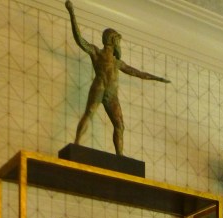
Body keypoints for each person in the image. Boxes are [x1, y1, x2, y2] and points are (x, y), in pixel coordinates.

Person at [65, 1, 170, 156]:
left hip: (112, 94)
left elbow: (138, 73)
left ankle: (119, 156)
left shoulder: (117, 62)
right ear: (113, 40)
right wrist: (71, 13)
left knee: (119, 125)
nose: (119, 44)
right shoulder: (96, 52)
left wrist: (158, 78)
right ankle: (77, 143)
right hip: (100, 87)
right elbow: (79, 39)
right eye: (118, 40)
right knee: (89, 114)